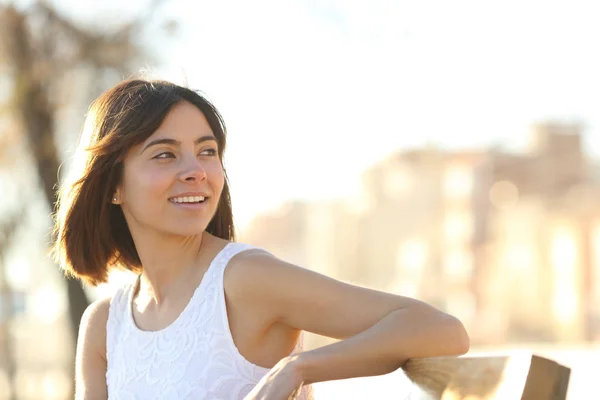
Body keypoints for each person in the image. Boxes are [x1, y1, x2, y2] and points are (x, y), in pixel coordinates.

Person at [52, 79, 470, 400]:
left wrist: (299, 368)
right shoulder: (104, 325)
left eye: (207, 151)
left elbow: (441, 330)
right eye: (165, 154)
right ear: (113, 186)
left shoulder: (243, 280)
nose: (196, 170)